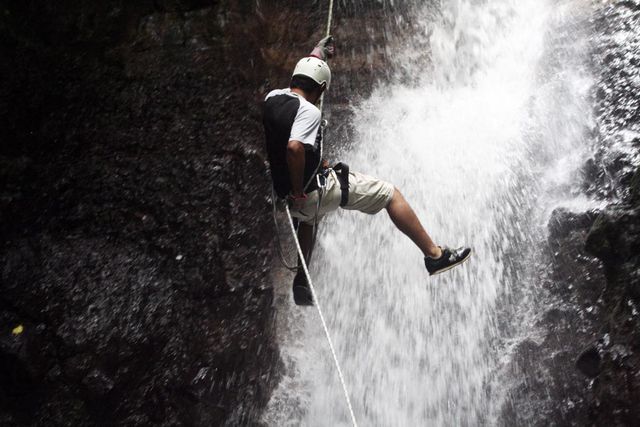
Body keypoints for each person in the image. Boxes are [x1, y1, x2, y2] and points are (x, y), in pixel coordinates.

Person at [263, 36, 471, 305]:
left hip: (286, 198)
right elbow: (293, 149)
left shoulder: (272, 98)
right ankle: (434, 255)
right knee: (390, 194)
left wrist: (318, 53)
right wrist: (300, 190)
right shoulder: (309, 113)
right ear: (322, 89)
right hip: (307, 195)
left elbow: (288, 137)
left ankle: (302, 280)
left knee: (311, 218)